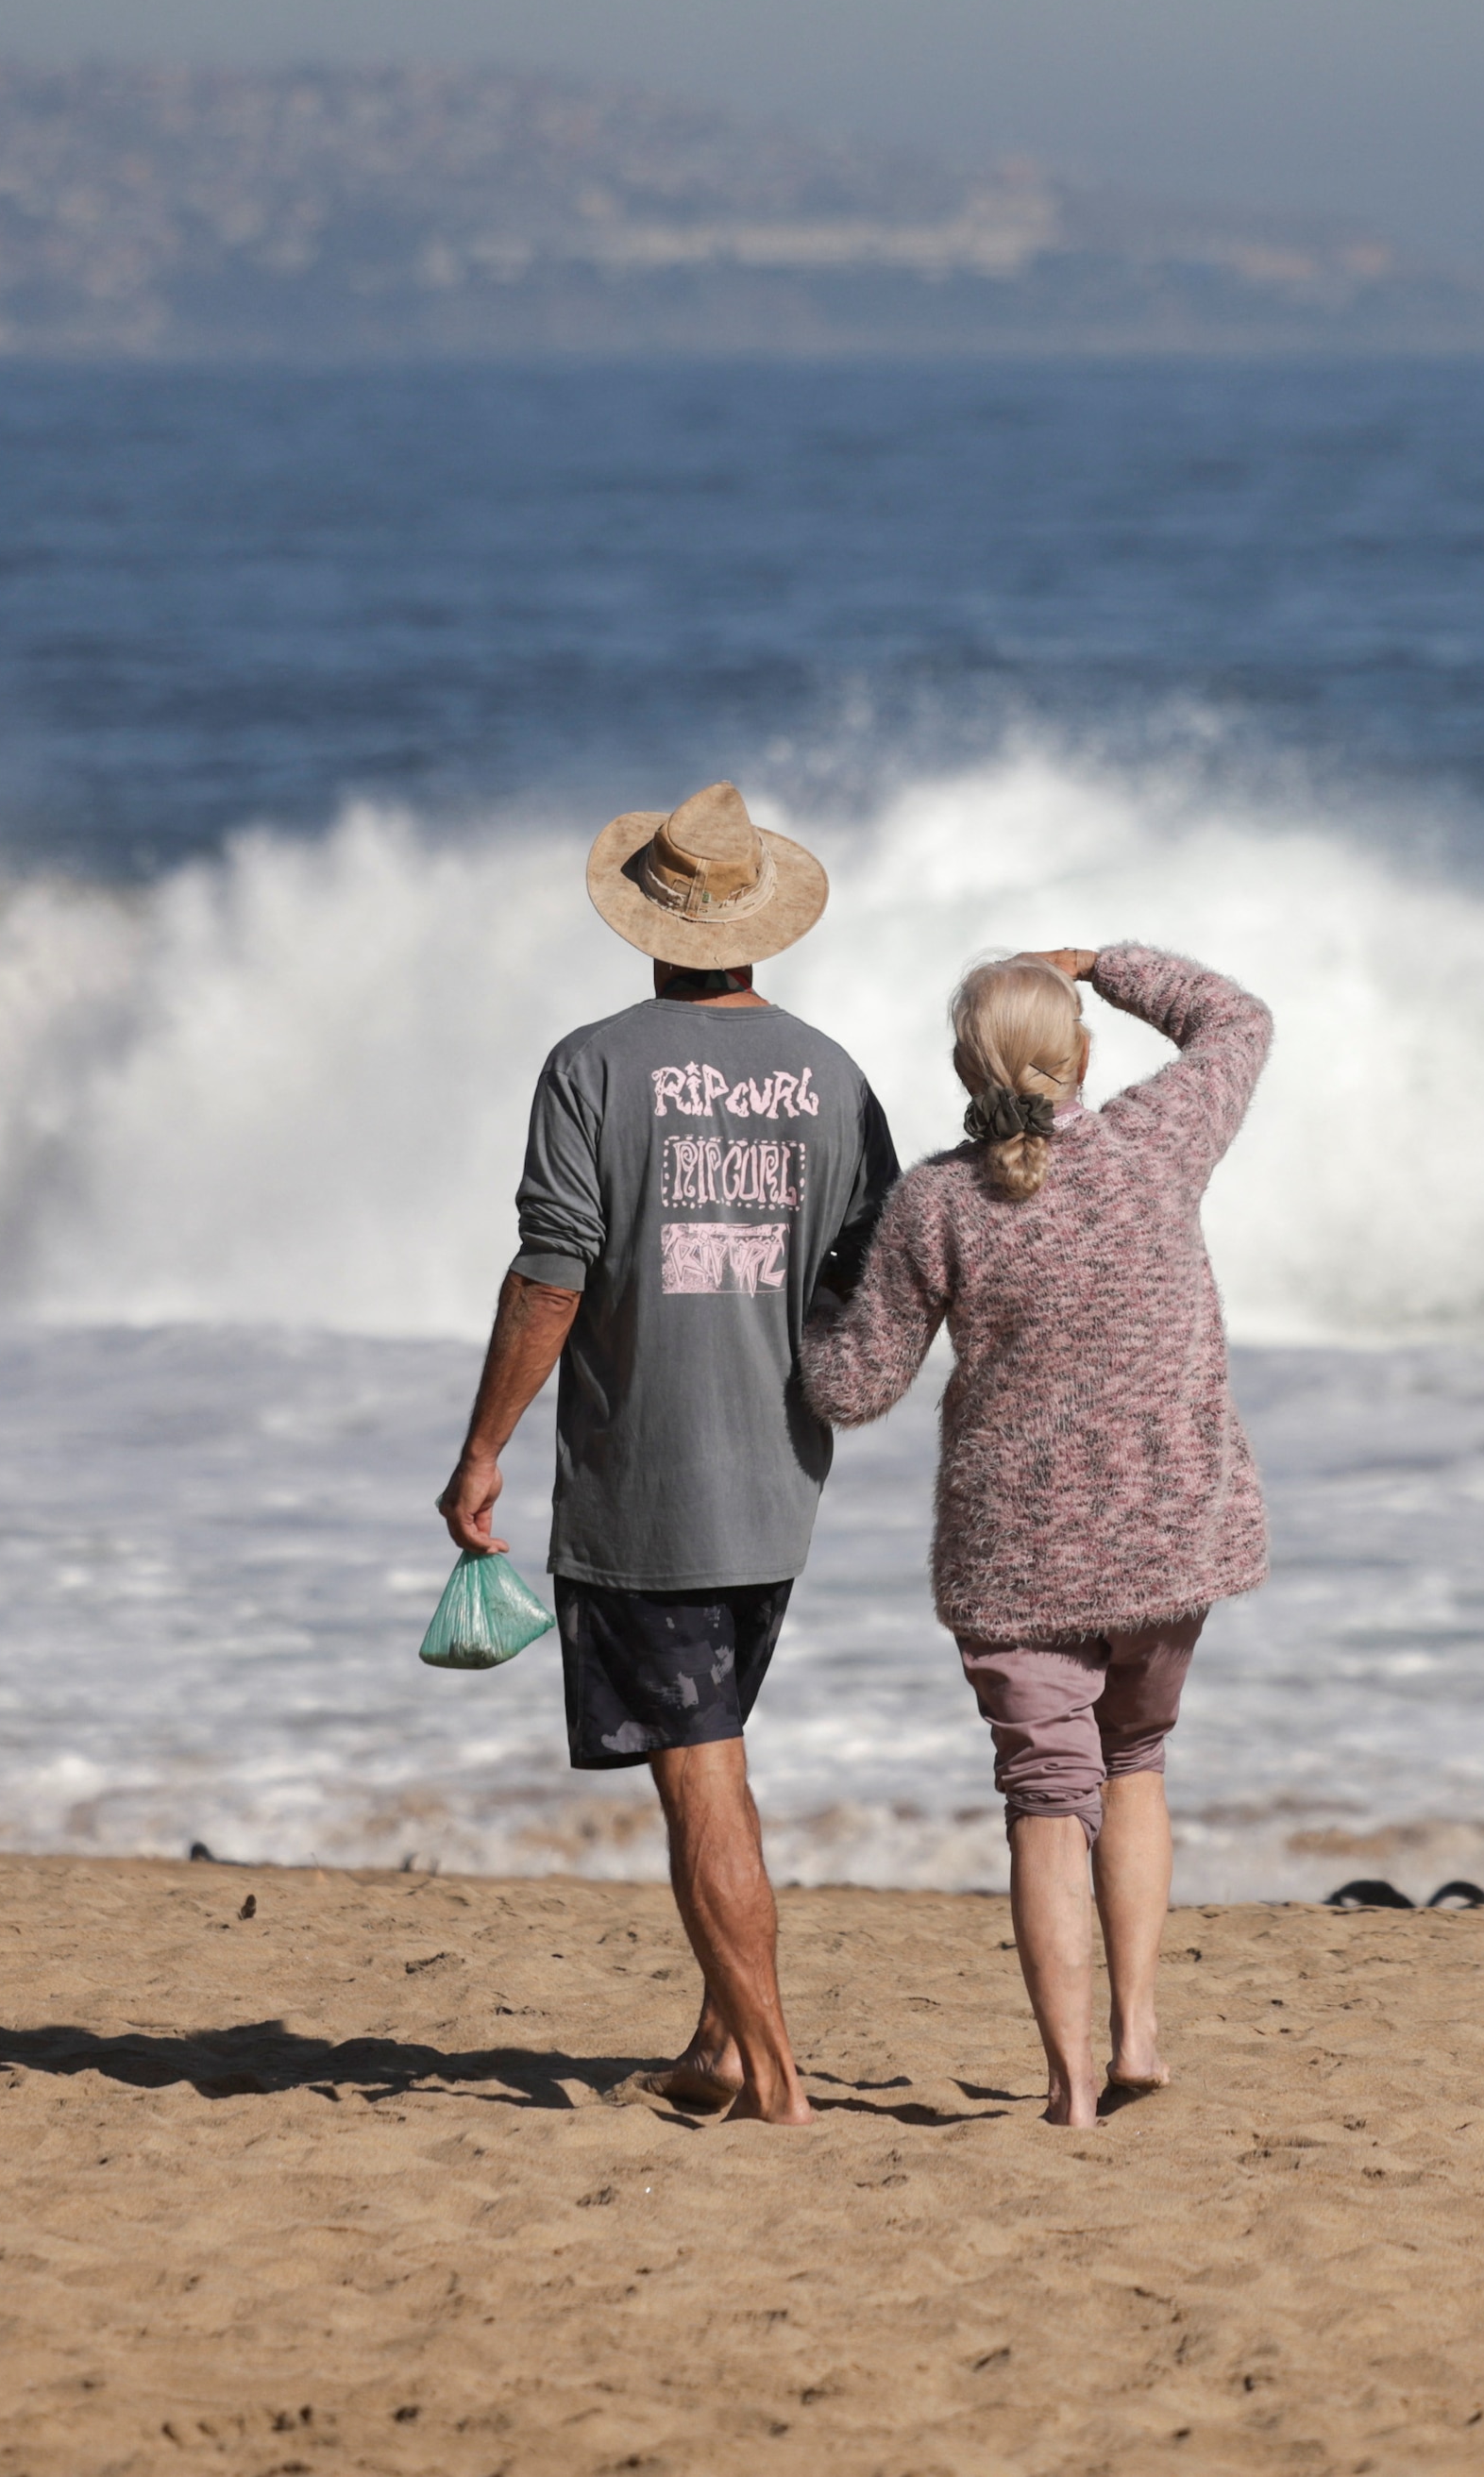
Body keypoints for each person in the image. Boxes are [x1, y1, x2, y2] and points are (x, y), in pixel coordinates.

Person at [437, 780, 894, 2129]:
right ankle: (715, 2040)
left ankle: (778, 2073)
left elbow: (550, 1276)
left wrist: (481, 1451)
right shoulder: (834, 1075)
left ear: (649, 919)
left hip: (649, 1479)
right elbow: (873, 1289)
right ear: (759, 922)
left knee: (702, 1768)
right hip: (779, 1481)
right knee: (719, 1740)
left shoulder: (592, 1064)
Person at [806, 941, 1273, 2128]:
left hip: (1014, 1560)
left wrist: (800, 1303)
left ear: (963, 1069)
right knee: (1135, 1765)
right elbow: (1234, 1020)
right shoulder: (1155, 1142)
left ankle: (1068, 2089)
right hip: (1169, 1536)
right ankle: (1139, 2033)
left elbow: (852, 1389)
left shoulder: (935, 1201)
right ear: (1081, 1058)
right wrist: (1107, 962)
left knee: (1044, 1798)